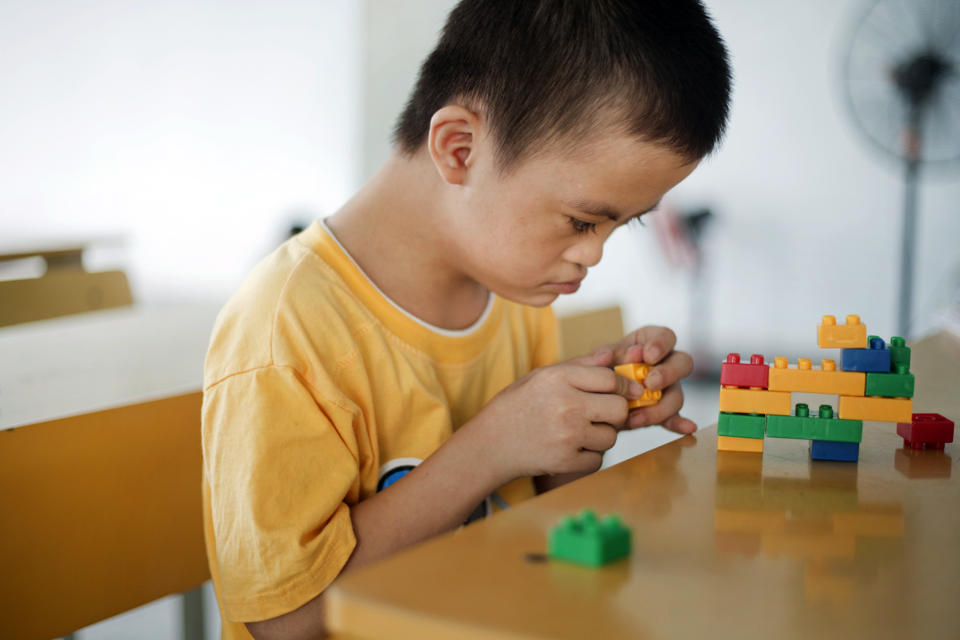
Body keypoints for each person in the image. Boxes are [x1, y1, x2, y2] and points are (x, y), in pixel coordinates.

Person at [201, 1, 731, 638]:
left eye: (626, 222)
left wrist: (587, 414)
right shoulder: (285, 328)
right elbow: (287, 620)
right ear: (459, 148)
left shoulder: (514, 292)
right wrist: (493, 443)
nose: (594, 253)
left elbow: (524, 510)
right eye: (585, 221)